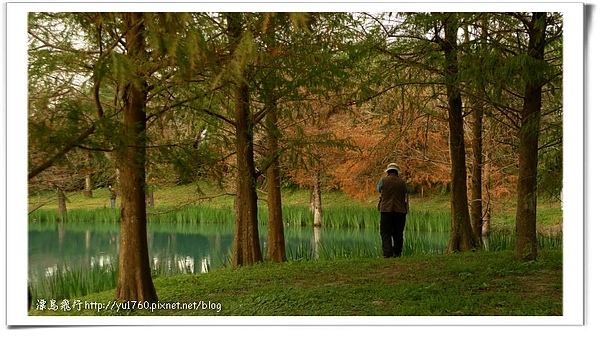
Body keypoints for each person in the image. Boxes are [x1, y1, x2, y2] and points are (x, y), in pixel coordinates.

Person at [377, 162, 409, 258]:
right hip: (400, 211)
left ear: (388, 172)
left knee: (385, 232)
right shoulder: (402, 182)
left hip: (386, 210)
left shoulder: (383, 181)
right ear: (397, 172)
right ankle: (397, 253)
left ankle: (387, 253)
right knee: (398, 232)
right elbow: (407, 191)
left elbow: (379, 189)